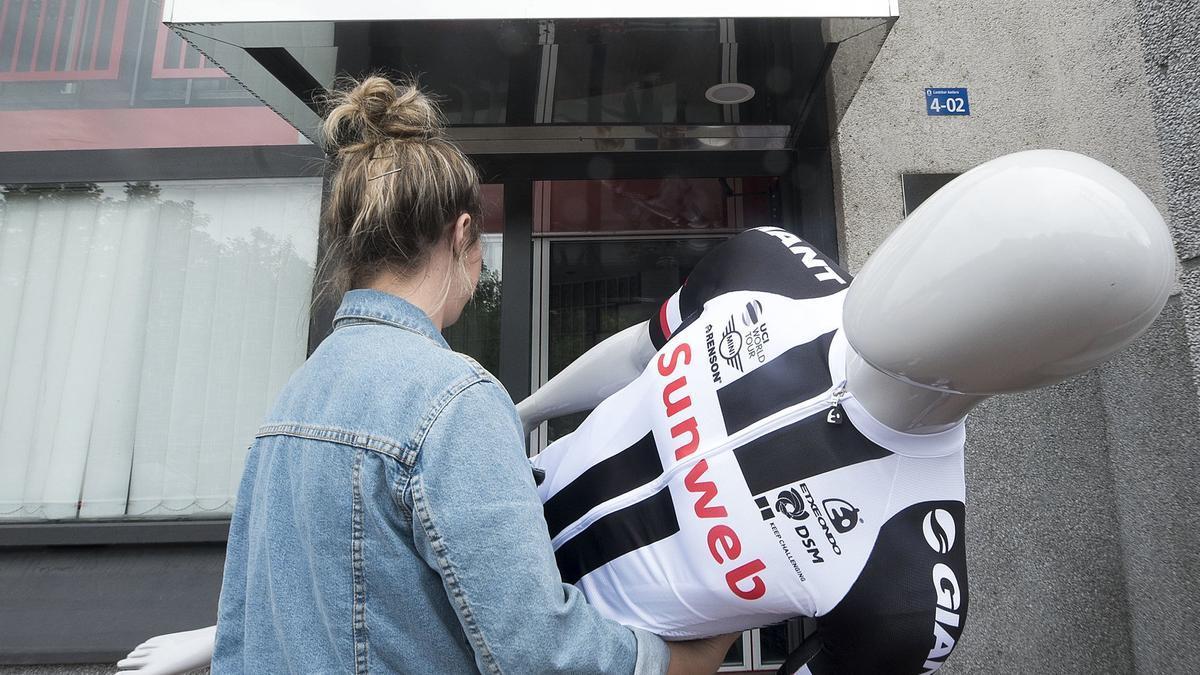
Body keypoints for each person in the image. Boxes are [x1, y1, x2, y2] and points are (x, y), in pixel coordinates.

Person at [120, 148, 1173, 674]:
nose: (944, 269)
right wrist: (504, 415)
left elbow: (371, 578)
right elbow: (637, 353)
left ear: (1039, 364)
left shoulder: (913, 587)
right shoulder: (771, 266)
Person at [171, 75, 733, 674]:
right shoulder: (452, 399)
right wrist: (682, 658)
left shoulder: (293, 399)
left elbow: (250, 626)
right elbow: (539, 650)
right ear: (464, 232)